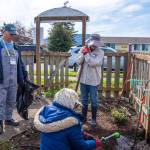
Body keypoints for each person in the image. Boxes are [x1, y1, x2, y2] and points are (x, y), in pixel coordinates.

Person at [34, 88, 101, 150]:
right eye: (75, 104)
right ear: (70, 103)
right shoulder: (70, 121)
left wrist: (82, 133)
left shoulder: (48, 113)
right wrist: (95, 143)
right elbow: (81, 146)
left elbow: (63, 131)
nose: (75, 106)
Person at [0, 24, 26, 135]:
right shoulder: (0, 44)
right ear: (4, 32)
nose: (12, 36)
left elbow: (19, 63)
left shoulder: (15, 46)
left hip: (13, 79)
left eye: (13, 34)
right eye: (10, 34)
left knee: (11, 100)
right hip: (1, 80)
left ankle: (8, 119)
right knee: (0, 101)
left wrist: (23, 75)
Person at [77, 34, 104, 127]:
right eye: (93, 44)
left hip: (93, 80)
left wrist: (87, 54)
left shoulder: (100, 52)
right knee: (84, 99)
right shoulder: (82, 49)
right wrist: (83, 54)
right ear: (89, 42)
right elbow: (79, 62)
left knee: (93, 99)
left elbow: (92, 63)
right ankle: (83, 118)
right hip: (83, 79)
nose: (94, 46)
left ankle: (93, 119)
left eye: (96, 44)